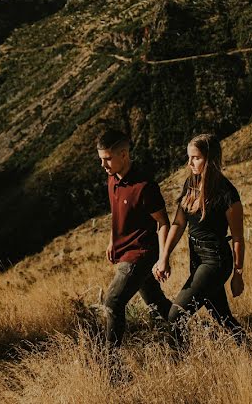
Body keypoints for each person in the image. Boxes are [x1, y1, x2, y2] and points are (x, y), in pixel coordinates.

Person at [153, 133, 247, 345]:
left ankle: (180, 364)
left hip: (215, 260)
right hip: (197, 258)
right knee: (221, 316)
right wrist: (164, 257)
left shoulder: (227, 193)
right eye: (189, 157)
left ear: (210, 159)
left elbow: (238, 238)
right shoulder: (190, 184)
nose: (190, 163)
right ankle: (251, 352)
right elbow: (178, 223)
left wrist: (238, 274)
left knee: (175, 316)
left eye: (195, 157)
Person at [97, 128, 172, 348]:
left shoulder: (145, 186)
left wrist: (163, 258)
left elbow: (163, 222)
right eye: (101, 159)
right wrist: (113, 240)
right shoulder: (112, 180)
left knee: (112, 301)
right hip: (124, 250)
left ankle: (111, 363)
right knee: (156, 303)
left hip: (141, 253)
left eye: (107, 159)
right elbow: (117, 212)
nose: (103, 165)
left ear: (124, 154)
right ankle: (183, 331)